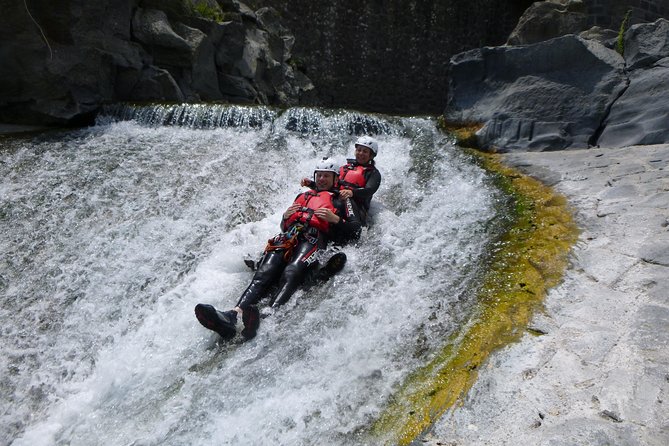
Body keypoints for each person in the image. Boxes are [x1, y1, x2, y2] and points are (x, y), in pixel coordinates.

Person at [195, 159, 362, 341]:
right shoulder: (303, 196)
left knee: (292, 272)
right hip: (288, 237)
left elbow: (356, 230)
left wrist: (335, 220)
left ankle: (267, 316)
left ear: (335, 178)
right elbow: (284, 226)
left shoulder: (342, 200)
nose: (321, 179)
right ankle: (232, 316)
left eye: (326, 176)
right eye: (319, 175)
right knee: (264, 273)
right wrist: (285, 217)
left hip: (314, 239)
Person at [301, 136, 382, 225]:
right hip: (336, 201)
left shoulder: (373, 173)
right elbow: (330, 186)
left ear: (371, 155)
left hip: (355, 208)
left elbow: (369, 190)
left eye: (365, 151)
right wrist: (312, 184)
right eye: (359, 150)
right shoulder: (345, 168)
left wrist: (352, 193)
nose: (361, 153)